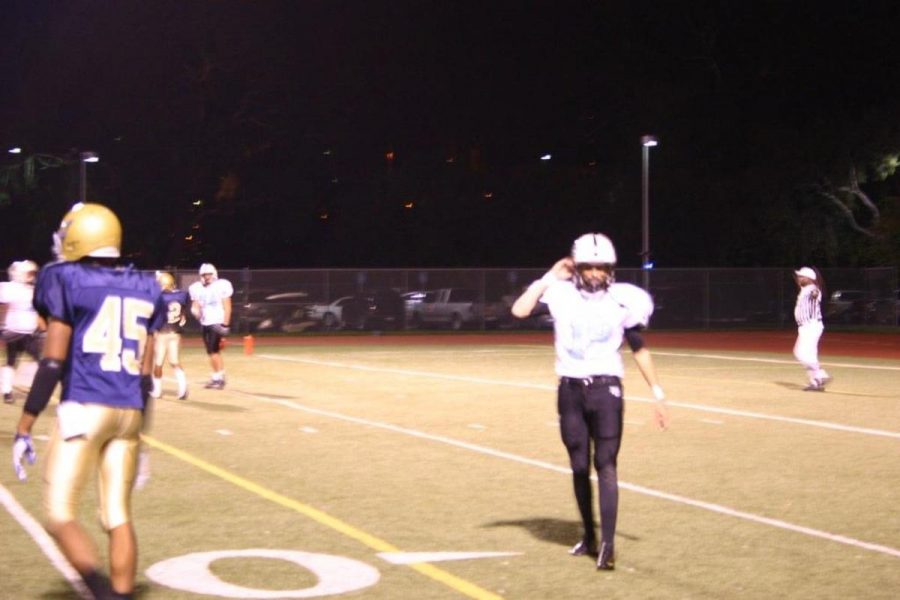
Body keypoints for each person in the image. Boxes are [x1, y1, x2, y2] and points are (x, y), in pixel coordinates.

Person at [12, 202, 166, 599]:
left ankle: (104, 592)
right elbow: (146, 375)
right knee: (117, 515)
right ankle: (121, 594)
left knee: (59, 514)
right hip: (130, 412)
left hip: (85, 407)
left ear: (80, 237)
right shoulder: (146, 285)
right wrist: (143, 437)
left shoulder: (64, 278)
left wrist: (25, 425)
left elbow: (52, 361)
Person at [511, 233, 669, 571]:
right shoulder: (560, 292)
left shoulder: (624, 299)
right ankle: (589, 536)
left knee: (606, 465)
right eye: (589, 266)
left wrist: (657, 393)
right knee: (579, 466)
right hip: (569, 389)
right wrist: (549, 277)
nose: (596, 273)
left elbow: (639, 347)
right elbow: (519, 310)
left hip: (606, 388)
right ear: (577, 266)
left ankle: (608, 546)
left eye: (602, 267)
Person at [0, 260, 45, 403]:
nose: (32, 276)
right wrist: (1, 328)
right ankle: (7, 391)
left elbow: (36, 311)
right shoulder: (10, 288)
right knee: (11, 361)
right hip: (13, 331)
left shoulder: (31, 290)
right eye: (30, 273)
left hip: (29, 333)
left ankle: (20, 385)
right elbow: (3, 308)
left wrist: (41, 327)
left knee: (39, 361)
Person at [188, 263, 232, 389]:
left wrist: (225, 325)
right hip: (205, 322)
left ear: (214, 274)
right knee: (211, 351)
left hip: (217, 322)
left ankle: (219, 378)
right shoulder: (196, 288)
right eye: (204, 275)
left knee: (213, 351)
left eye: (208, 274)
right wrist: (195, 310)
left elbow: (227, 307)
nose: (206, 277)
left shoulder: (221, 285)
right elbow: (196, 304)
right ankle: (217, 377)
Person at [150, 271, 190, 400]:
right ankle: (183, 389)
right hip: (176, 332)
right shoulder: (181, 295)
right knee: (174, 361)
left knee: (158, 363)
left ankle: (157, 391)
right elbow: (182, 310)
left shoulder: (159, 297)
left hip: (162, 333)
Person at [793, 266, 831, 391]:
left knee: (800, 353)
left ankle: (821, 374)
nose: (799, 278)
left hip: (810, 325)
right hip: (807, 326)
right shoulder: (804, 290)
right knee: (810, 356)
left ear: (809, 278)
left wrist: (815, 293)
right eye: (799, 276)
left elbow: (815, 294)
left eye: (802, 276)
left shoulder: (812, 289)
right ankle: (815, 383)